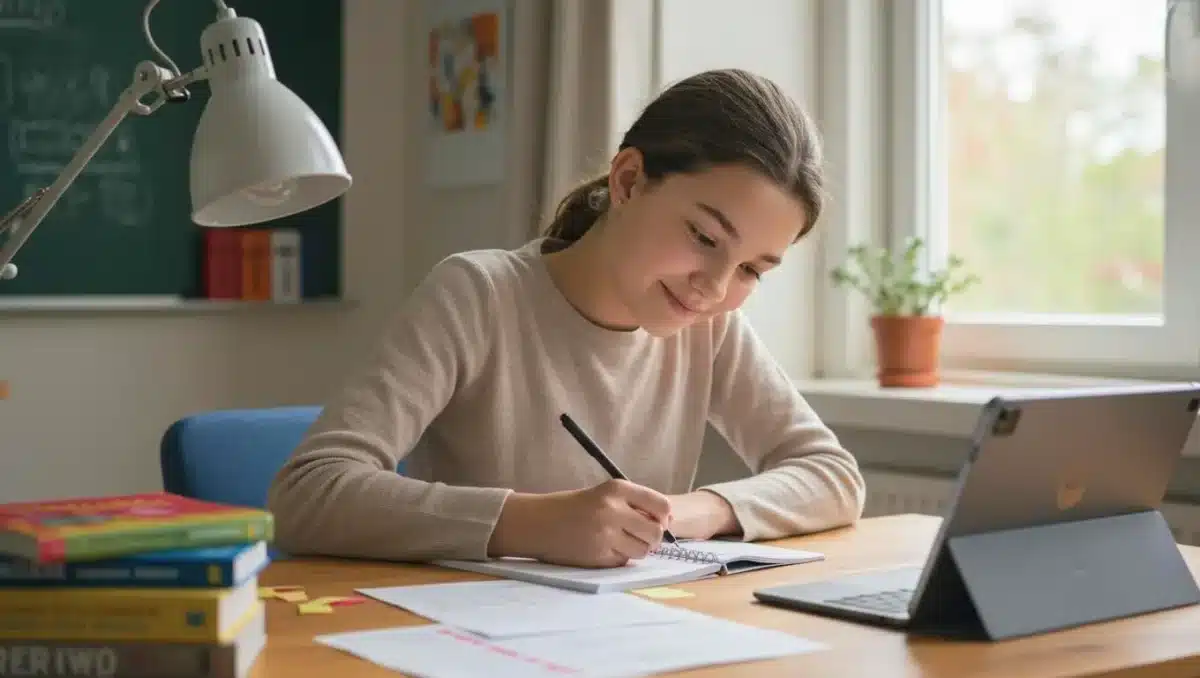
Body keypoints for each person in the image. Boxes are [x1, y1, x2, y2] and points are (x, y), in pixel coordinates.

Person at [266, 68, 866, 568]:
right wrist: (528, 523)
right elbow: (307, 493)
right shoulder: (478, 296)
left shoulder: (706, 325)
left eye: (752, 271)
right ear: (629, 180)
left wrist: (689, 513)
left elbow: (832, 475)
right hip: (471, 636)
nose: (714, 287)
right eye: (704, 237)